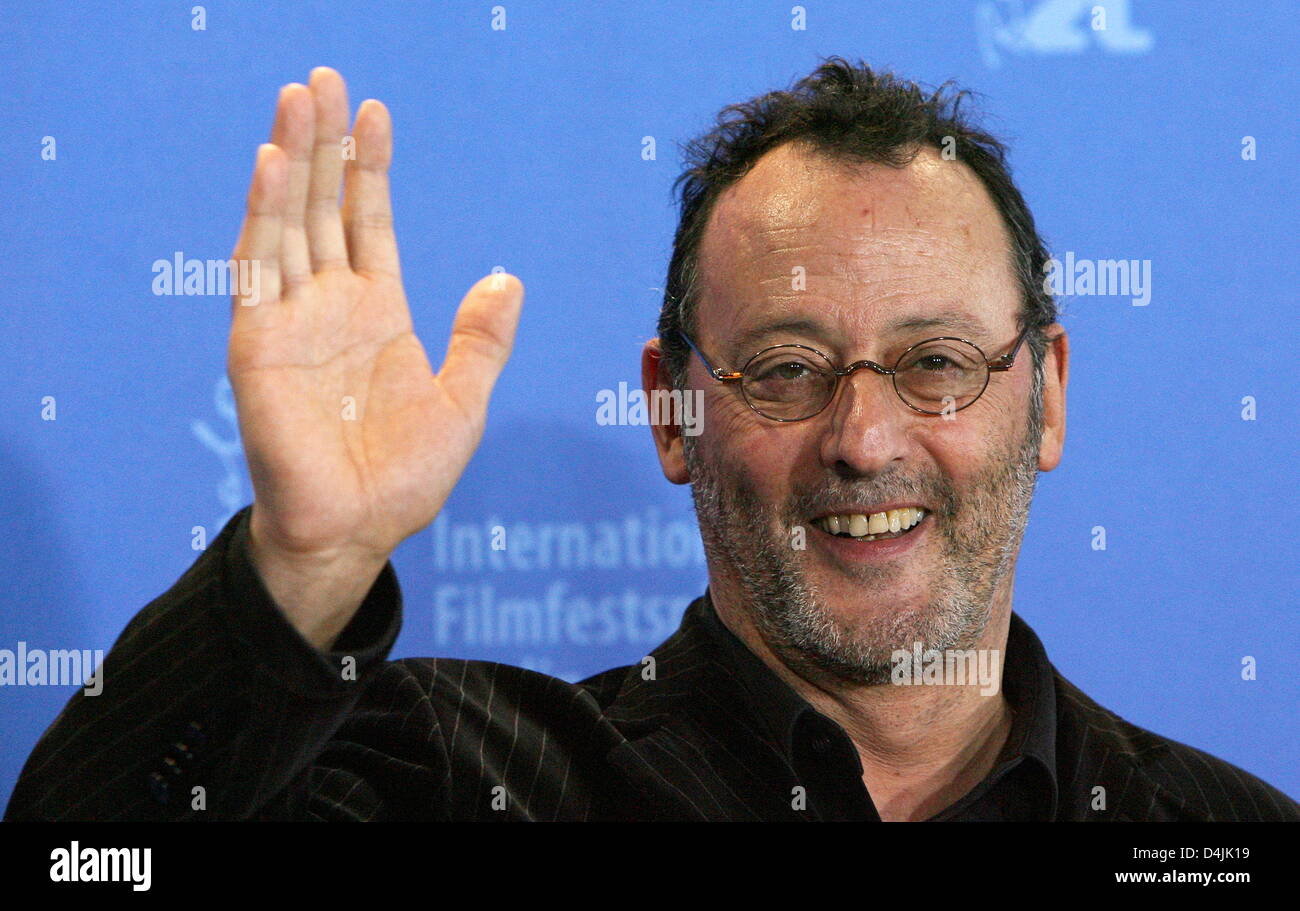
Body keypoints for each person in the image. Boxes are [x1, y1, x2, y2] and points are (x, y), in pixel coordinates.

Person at [7, 58, 1296, 821]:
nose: (862, 436)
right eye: (786, 369)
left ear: (1049, 395)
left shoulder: (1216, 835)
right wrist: (303, 565)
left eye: (936, 364)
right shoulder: (460, 777)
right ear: (674, 411)